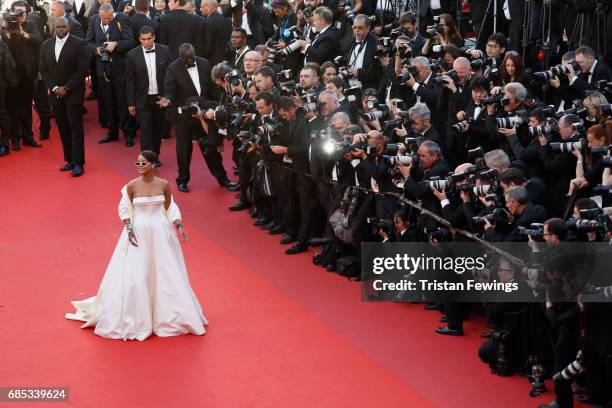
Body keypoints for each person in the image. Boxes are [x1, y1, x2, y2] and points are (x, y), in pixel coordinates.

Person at [65, 151, 208, 341]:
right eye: (137, 163)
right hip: (138, 234)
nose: (139, 166)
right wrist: (129, 229)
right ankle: (139, 318)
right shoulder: (131, 186)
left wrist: (179, 226)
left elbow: (170, 206)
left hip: (161, 234)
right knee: (137, 272)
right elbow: (124, 208)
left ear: (153, 165)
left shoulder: (163, 185)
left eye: (143, 163)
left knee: (165, 272)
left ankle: (169, 316)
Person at [39, 17, 91, 177]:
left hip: (73, 92)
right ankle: (69, 159)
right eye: (58, 27)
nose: (60, 29)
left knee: (75, 127)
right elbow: (43, 70)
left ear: (68, 27)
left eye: (63, 26)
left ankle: (79, 163)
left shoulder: (79, 44)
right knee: (62, 127)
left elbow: (83, 70)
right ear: (54, 27)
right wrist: (55, 87)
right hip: (56, 93)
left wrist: (67, 88)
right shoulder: (45, 45)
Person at [126, 25, 170, 164]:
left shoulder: (165, 51)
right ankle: (146, 159)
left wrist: (168, 97)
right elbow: (130, 80)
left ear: (154, 37)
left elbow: (170, 77)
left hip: (159, 98)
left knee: (157, 130)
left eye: (149, 38)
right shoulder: (132, 54)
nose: (146, 42)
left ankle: (155, 156)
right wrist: (131, 103)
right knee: (145, 130)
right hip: (142, 98)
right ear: (139, 39)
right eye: (143, 39)